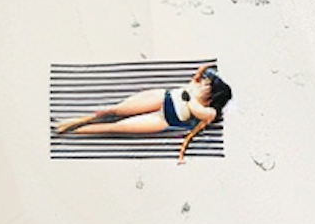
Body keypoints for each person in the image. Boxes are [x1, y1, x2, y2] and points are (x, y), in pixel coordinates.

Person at [55, 63, 232, 163]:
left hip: (162, 119)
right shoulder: (197, 84)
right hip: (160, 98)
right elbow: (199, 72)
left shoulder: (209, 112)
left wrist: (189, 95)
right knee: (114, 110)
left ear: (214, 93)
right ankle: (78, 120)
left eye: (208, 84)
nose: (204, 83)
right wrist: (208, 68)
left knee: (115, 127)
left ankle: (71, 131)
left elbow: (193, 109)